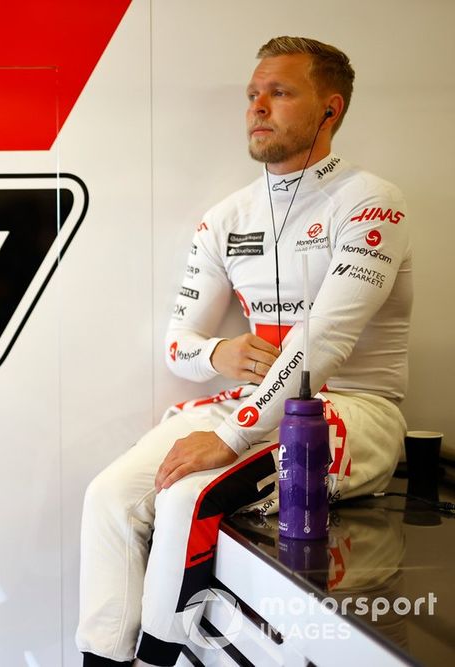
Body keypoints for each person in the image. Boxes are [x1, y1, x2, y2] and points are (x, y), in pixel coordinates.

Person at [76, 36, 412, 667]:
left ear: (330, 109)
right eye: (253, 94)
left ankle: (155, 659)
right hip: (251, 403)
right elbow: (179, 345)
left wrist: (231, 437)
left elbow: (327, 340)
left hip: (355, 413)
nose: (258, 106)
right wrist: (220, 354)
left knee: (185, 498)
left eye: (280, 93)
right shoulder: (227, 216)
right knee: (109, 497)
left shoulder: (372, 201)